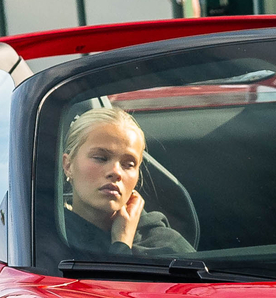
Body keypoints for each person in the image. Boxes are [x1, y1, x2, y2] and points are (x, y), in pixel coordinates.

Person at [56, 105, 192, 257]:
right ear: (68, 165)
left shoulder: (165, 245)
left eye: (128, 165)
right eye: (101, 158)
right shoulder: (43, 240)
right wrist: (122, 243)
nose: (116, 172)